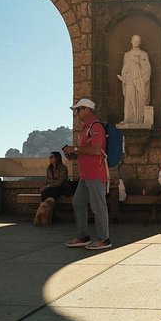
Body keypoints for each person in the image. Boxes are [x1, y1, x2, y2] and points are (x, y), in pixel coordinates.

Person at [62, 98, 111, 250]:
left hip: (95, 174)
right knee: (78, 202)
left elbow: (97, 150)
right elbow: (87, 151)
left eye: (78, 109)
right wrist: (74, 153)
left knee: (98, 207)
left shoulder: (95, 126)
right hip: (86, 175)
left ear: (87, 110)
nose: (76, 113)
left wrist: (75, 149)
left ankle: (104, 240)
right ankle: (83, 236)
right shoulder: (86, 128)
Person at [118, 34, 151, 124]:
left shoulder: (144, 54)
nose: (135, 42)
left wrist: (139, 62)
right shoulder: (127, 55)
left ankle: (139, 118)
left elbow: (148, 69)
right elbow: (124, 68)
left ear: (139, 42)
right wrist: (125, 76)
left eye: (137, 41)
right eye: (134, 40)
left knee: (140, 99)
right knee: (129, 97)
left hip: (140, 80)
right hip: (130, 80)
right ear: (131, 41)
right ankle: (128, 118)